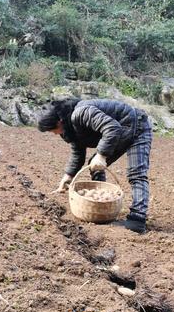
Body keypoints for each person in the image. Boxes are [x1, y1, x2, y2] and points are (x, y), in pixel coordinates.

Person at [37, 98, 152, 234]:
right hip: (120, 132)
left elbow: (112, 128)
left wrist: (101, 155)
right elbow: (78, 153)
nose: (54, 133)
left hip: (137, 126)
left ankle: (137, 219)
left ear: (59, 121)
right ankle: (100, 205)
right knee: (94, 164)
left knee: (136, 173)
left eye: (53, 130)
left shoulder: (81, 113)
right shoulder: (68, 128)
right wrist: (68, 176)